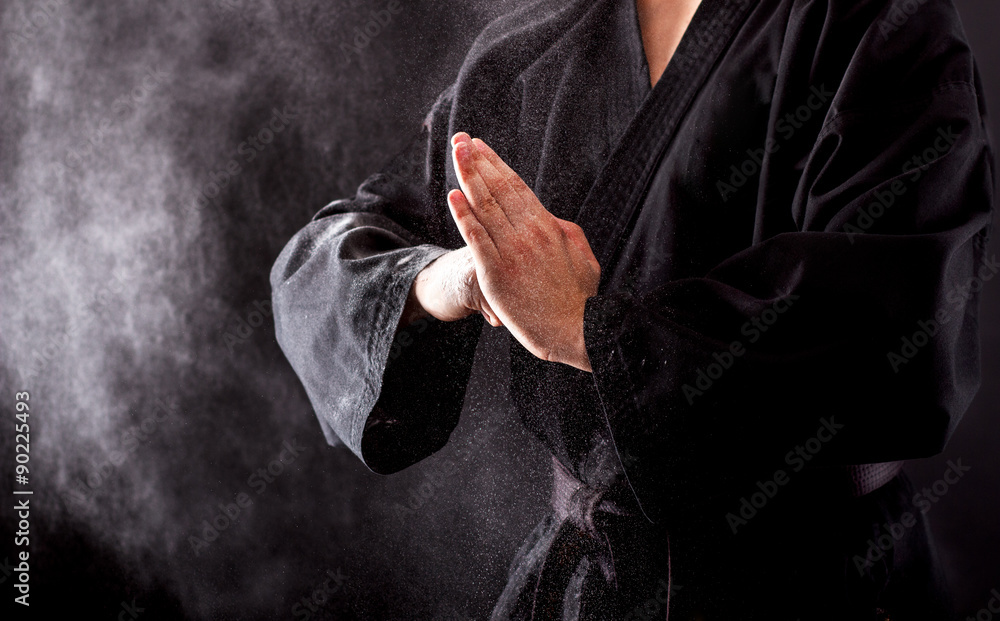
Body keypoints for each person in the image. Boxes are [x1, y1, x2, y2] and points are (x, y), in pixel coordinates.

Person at [270, 0, 995, 618]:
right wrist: (454, 275)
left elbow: (904, 325)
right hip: (587, 584)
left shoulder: (879, 24)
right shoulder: (536, 52)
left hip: (817, 581)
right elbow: (326, 260)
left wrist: (590, 327)